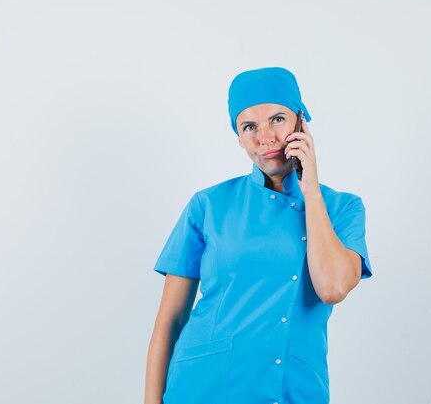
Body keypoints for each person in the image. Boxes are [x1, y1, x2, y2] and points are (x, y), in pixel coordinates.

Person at [145, 66, 373, 404]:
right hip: (200, 389)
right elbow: (170, 320)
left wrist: (310, 189)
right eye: (249, 126)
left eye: (278, 120)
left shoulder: (341, 208)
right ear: (237, 136)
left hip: (292, 391)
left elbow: (333, 287)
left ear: (301, 123)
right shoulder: (208, 205)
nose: (264, 137)